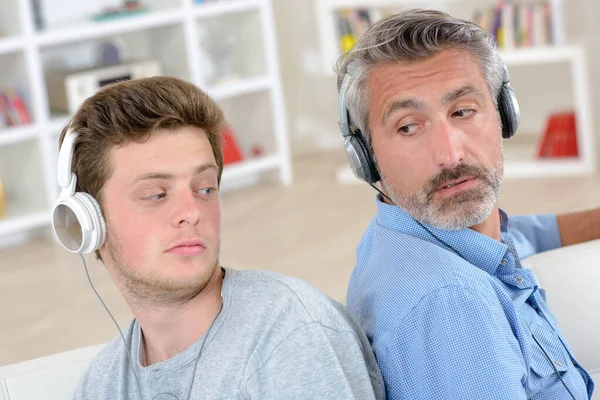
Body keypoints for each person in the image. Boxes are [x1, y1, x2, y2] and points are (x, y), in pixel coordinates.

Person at [52, 76, 385, 399]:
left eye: (205, 188)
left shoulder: (290, 336)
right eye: (156, 194)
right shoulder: (102, 385)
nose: (192, 210)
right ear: (87, 222)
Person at [335, 9, 596, 400]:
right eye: (409, 126)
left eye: (463, 111)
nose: (451, 154)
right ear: (365, 157)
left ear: (503, 115)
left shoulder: (408, 234)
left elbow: (520, 235)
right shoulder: (453, 305)